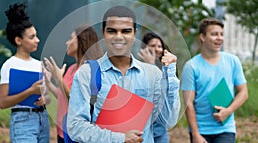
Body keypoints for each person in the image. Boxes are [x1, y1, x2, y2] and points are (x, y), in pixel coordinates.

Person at [66, 5, 180, 143]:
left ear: (134, 33)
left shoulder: (153, 74)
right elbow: (75, 127)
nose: (119, 37)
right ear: (103, 33)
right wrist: (120, 138)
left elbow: (167, 122)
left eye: (126, 31)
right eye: (112, 31)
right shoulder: (87, 74)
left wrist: (170, 75)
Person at [180, 17, 248, 143]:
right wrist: (195, 134)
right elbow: (188, 104)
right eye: (214, 34)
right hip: (200, 130)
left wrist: (228, 111)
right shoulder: (191, 66)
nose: (219, 38)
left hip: (225, 129)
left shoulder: (233, 61)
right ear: (202, 37)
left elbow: (243, 92)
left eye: (221, 34)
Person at [0, 3, 50, 143]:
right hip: (22, 121)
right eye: (32, 37)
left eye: (36, 36)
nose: (37, 40)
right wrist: (30, 91)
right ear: (18, 40)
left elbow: (48, 97)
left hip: (43, 120)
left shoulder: (40, 65)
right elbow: (2, 103)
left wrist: (45, 99)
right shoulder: (9, 66)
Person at [43, 25, 103, 143]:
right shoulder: (71, 69)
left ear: (82, 41)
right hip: (62, 130)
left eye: (71, 38)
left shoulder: (89, 70)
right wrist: (49, 83)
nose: (67, 42)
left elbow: (78, 101)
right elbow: (63, 96)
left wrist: (59, 79)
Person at [138, 31, 173, 143]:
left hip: (160, 131)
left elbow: (164, 94)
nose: (157, 49)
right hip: (141, 131)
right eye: (153, 46)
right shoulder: (136, 69)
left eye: (160, 46)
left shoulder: (166, 69)